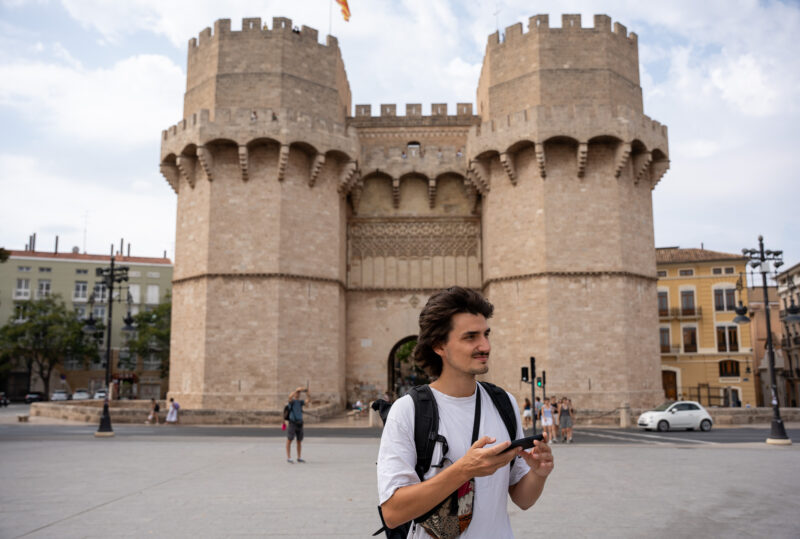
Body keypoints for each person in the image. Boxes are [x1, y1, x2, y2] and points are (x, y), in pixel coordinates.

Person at [377, 286, 553, 537]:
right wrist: (465, 469)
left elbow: (523, 499)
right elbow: (393, 513)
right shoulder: (408, 410)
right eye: (471, 337)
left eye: (486, 334)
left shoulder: (504, 403)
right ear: (439, 345)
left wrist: (539, 473)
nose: (485, 346)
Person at [285, 386, 312, 463]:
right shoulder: (292, 402)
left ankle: (299, 457)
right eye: (297, 393)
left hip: (299, 423)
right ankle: (289, 457)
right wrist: (296, 389)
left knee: (299, 441)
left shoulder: (300, 402)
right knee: (289, 439)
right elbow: (289, 397)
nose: (298, 394)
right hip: (293, 423)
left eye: (299, 393)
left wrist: (307, 393)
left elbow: (308, 400)